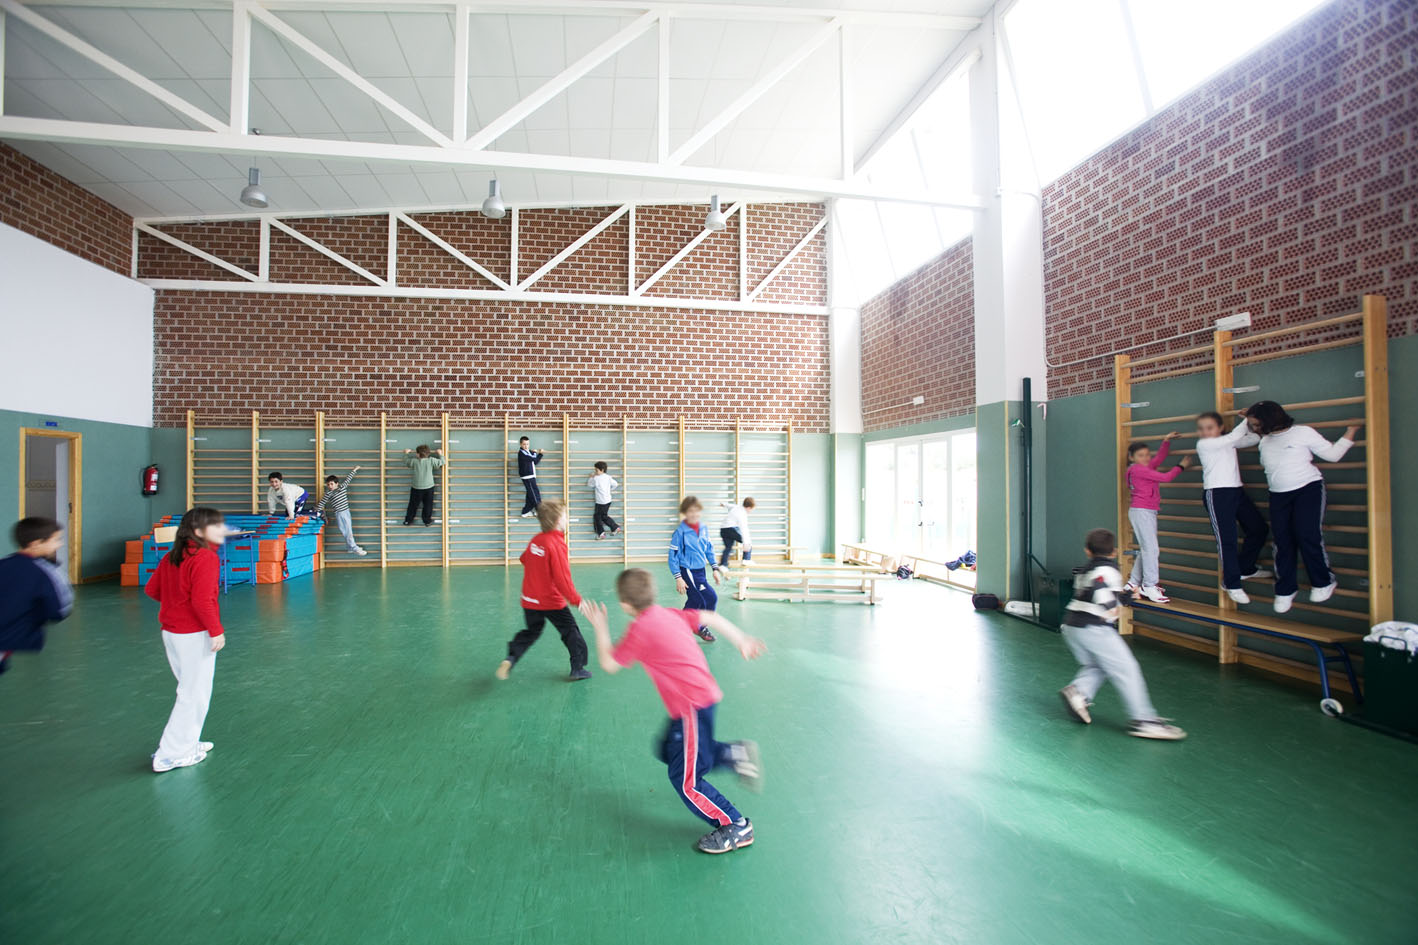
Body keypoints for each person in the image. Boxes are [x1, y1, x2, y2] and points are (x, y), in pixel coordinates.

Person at [583, 568, 766, 854]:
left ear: (625, 606)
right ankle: (733, 754)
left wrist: (599, 626)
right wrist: (741, 639)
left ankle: (736, 825)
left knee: (686, 781)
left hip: (691, 708)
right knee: (668, 749)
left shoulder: (639, 630)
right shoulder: (669, 613)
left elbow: (608, 663)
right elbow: (710, 617)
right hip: (702, 699)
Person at [1058, 528, 1186, 741]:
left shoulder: (1084, 570)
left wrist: (1125, 597)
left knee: (1099, 665)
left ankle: (1078, 692)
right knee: (1127, 669)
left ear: (1087, 551)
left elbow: (1096, 590)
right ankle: (1144, 720)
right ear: (1114, 552)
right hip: (1094, 628)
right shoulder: (1108, 570)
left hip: (1072, 626)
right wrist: (1111, 606)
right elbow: (1101, 589)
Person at [1243, 401, 1360, 614]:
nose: (1253, 428)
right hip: (1278, 495)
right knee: (1282, 542)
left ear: (1270, 421)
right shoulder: (1265, 439)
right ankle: (1285, 588)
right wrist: (1250, 416)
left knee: (1307, 535)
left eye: (1256, 424)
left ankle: (1324, 581)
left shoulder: (1302, 433)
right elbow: (1258, 431)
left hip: (1308, 490)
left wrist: (1351, 431)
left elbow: (1333, 455)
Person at [144, 507, 228, 773]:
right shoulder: (204, 558)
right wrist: (215, 630)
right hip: (193, 634)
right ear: (199, 532)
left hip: (172, 632)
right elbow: (203, 601)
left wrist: (175, 607)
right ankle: (171, 754)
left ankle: (187, 742)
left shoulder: (173, 556)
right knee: (193, 694)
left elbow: (152, 589)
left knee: (191, 690)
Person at [496, 499, 592, 682]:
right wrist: (577, 600)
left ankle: (511, 658)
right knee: (571, 631)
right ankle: (578, 668)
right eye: (564, 515)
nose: (566, 518)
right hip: (551, 601)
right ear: (557, 520)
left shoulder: (536, 540)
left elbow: (524, 558)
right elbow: (562, 579)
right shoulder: (556, 544)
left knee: (531, 632)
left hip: (529, 600)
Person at [1194, 412, 1269, 603]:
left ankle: (1245, 567)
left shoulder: (1227, 442)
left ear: (1220, 428)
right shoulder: (1204, 444)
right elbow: (1236, 437)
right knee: (1227, 540)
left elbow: (1250, 438)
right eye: (1201, 428)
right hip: (1217, 495)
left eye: (1209, 427)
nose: (1204, 432)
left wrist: (1258, 427)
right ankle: (1231, 582)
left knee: (1259, 528)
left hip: (1236, 492)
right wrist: (1249, 417)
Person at [0, 517, 73, 677]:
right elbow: (60, 610)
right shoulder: (46, 571)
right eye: (56, 540)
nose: (59, 544)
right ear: (36, 544)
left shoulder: (3, 563)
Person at [1124, 434, 1192, 602]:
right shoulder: (1138, 469)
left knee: (1147, 549)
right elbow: (1166, 477)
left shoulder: (1142, 468)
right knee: (1152, 550)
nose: (1146, 458)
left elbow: (1158, 459)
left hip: (1145, 511)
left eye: (1147, 454)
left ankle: (1133, 583)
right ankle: (1149, 585)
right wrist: (1181, 466)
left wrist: (1166, 442)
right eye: (1141, 455)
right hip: (1142, 511)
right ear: (1131, 458)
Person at [669, 496, 722, 643]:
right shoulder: (680, 532)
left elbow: (709, 550)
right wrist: (678, 577)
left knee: (705, 599)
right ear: (685, 513)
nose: (694, 514)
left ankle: (690, 626)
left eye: (696, 511)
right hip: (687, 570)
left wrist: (715, 568)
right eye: (690, 511)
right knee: (701, 598)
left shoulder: (704, 529)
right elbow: (672, 556)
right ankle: (692, 627)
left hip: (700, 571)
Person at [315, 466, 367, 556]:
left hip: (346, 511)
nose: (330, 486)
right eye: (328, 484)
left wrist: (354, 470)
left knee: (348, 529)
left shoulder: (342, 488)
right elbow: (321, 504)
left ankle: (350, 547)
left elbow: (348, 479)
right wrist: (315, 512)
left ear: (336, 484)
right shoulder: (328, 493)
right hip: (340, 513)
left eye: (331, 484)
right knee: (346, 531)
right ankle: (354, 547)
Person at [402, 445, 444, 527]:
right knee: (428, 505)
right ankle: (427, 521)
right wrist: (440, 454)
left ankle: (408, 520)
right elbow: (442, 462)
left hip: (416, 488)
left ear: (417, 454)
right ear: (428, 454)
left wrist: (406, 453)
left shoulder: (414, 461)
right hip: (429, 488)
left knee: (413, 505)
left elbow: (406, 461)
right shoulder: (431, 460)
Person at [587, 461, 621, 540]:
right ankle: (612, 528)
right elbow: (615, 484)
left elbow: (589, 484)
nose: (595, 472)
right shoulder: (608, 477)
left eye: (596, 470)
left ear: (602, 470)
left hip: (600, 502)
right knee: (602, 516)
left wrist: (591, 477)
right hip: (608, 500)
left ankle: (606, 530)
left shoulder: (596, 478)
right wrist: (610, 489)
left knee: (599, 517)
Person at [718, 497, 755, 567]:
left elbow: (730, 505)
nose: (750, 511)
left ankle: (723, 564)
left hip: (723, 529)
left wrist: (724, 504)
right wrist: (746, 543)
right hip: (731, 529)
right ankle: (746, 560)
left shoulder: (737, 507)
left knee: (728, 547)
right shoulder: (742, 514)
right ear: (749, 508)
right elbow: (744, 529)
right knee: (748, 542)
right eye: (751, 509)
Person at [517, 437, 544, 517]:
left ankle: (525, 511)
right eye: (524, 444)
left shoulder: (527, 452)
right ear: (520, 444)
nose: (526, 446)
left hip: (530, 476)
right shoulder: (522, 453)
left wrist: (534, 453)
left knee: (530, 494)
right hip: (528, 476)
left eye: (527, 444)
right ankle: (539, 510)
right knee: (535, 494)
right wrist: (540, 454)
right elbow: (535, 460)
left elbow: (533, 460)